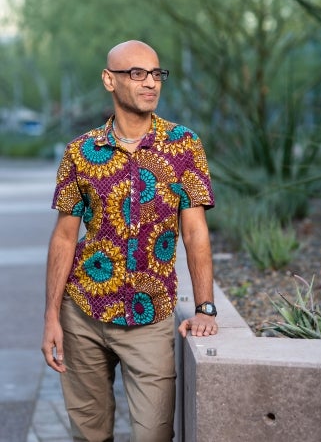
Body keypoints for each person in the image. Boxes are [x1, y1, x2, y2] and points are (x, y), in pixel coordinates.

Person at [41, 39, 218, 442]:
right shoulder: (80, 152)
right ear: (110, 79)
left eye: (156, 73)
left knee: (154, 433)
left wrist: (206, 307)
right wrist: (51, 316)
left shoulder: (184, 145)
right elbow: (65, 238)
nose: (151, 83)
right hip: (83, 311)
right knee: (89, 435)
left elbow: (194, 232)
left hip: (149, 317)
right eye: (137, 73)